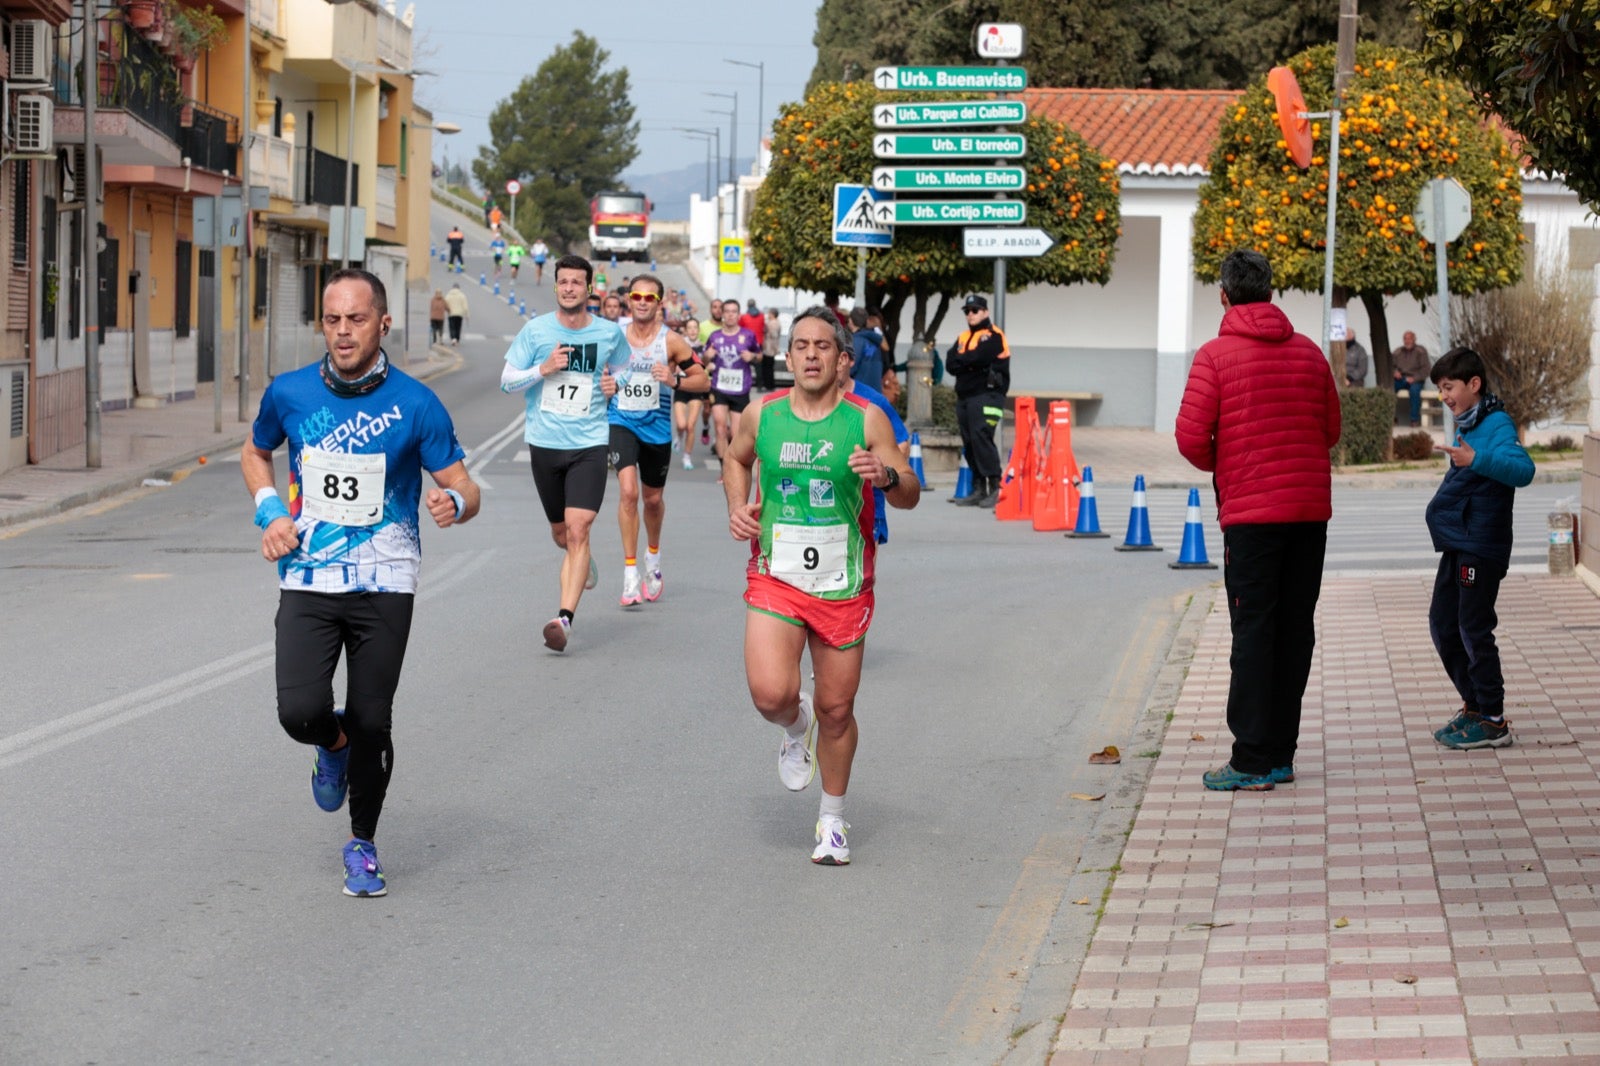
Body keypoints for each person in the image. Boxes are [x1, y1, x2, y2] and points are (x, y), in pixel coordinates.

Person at [241, 267, 480, 897]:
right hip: (310, 577)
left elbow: (465, 485)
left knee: (375, 718)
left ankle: (362, 844)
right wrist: (270, 512)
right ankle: (332, 743)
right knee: (299, 711)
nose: (343, 332)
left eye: (356, 319)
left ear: (383, 323)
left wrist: (455, 503)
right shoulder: (290, 393)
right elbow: (254, 450)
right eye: (332, 319)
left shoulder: (415, 403)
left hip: (386, 579)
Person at [723, 306, 921, 865]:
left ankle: (832, 821)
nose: (811, 354)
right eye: (801, 345)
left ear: (840, 360)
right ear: (787, 358)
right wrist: (739, 508)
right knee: (770, 694)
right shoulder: (762, 414)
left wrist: (884, 477)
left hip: (843, 581)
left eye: (823, 346)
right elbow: (735, 460)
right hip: (775, 575)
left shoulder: (866, 420)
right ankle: (794, 724)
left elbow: (909, 489)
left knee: (838, 709)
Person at [1175, 249, 1341, 791]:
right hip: (1308, 514)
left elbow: (1191, 439)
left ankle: (1249, 760)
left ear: (1224, 294)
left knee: (1253, 631)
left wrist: (1230, 463)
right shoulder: (1311, 354)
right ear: (1270, 292)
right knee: (1295, 629)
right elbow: (1331, 430)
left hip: (1250, 518)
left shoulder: (1214, 356)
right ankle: (1279, 754)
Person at [500, 254, 629, 652]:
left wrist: (614, 387)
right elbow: (506, 382)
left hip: (589, 443)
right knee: (561, 534)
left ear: (590, 288)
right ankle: (581, 561)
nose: (570, 288)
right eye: (564, 282)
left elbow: (623, 368)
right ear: (556, 287)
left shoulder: (609, 333)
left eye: (578, 282)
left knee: (579, 529)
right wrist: (542, 369)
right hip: (544, 444)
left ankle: (564, 619)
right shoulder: (536, 331)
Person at [1425, 347, 1535, 750]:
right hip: (1460, 543)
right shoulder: (1467, 424)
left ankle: (1492, 719)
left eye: (1449, 387)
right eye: (1440, 389)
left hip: (1481, 547)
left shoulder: (1497, 424)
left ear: (1474, 384)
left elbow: (1524, 470)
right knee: (1442, 622)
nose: (1445, 397)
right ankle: (1473, 705)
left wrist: (1477, 458)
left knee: (1473, 627)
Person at [609, 275, 708, 605]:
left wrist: (674, 379)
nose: (641, 301)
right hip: (621, 421)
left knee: (651, 501)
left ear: (659, 303)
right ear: (628, 300)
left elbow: (703, 380)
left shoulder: (672, 342)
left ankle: (653, 557)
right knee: (627, 492)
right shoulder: (614, 337)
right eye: (636, 295)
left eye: (649, 298)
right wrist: (604, 385)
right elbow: (597, 375)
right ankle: (629, 574)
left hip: (656, 431)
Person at [946, 294, 1009, 508]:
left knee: (982, 437)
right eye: (967, 311)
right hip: (965, 396)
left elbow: (980, 358)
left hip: (987, 395)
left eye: (975, 310)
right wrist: (969, 363)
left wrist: (966, 362)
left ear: (985, 312)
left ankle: (996, 485)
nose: (970, 315)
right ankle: (979, 487)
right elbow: (950, 363)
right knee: (970, 441)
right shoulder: (963, 337)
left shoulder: (994, 335)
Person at [705, 298, 762, 473]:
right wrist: (708, 356)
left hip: (740, 388)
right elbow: (704, 359)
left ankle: (734, 463)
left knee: (736, 433)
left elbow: (760, 356)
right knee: (720, 427)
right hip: (719, 387)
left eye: (733, 311)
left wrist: (751, 357)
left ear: (738, 314)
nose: (730, 315)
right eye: (727, 311)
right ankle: (725, 469)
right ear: (722, 314)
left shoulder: (748, 335)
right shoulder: (715, 336)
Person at [672, 316, 710, 469]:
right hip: (681, 386)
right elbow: (671, 364)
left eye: (695, 327)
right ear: (685, 331)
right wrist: (675, 369)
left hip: (696, 388)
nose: (693, 330)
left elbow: (706, 366)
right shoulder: (679, 346)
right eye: (690, 328)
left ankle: (687, 457)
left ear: (698, 330)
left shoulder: (703, 348)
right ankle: (678, 436)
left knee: (691, 425)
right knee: (681, 424)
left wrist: (709, 363)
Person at [1393, 330, 1433, 426]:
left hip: (1416, 380)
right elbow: (1390, 366)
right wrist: (1394, 372)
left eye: (1409, 339)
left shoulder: (1421, 351)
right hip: (1401, 379)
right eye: (1405, 339)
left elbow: (1426, 369)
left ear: (1414, 339)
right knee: (1389, 388)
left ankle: (1414, 420)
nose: (1407, 341)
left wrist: (1415, 378)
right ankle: (1391, 418)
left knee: (1414, 392)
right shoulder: (1397, 351)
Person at [849, 307, 888, 402]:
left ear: (850, 321)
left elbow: (851, 367)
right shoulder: (875, 341)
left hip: (860, 395)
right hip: (875, 394)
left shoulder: (856, 341)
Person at [761, 307, 781, 388]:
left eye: (769, 313)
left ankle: (768, 385)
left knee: (767, 368)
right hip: (772, 348)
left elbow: (773, 335)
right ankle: (769, 384)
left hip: (769, 348)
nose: (768, 315)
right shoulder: (777, 323)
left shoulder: (772, 323)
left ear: (772, 314)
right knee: (769, 367)